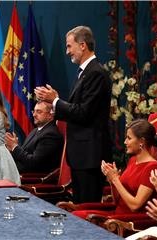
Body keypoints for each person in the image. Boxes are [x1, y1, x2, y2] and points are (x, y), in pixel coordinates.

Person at [34, 25, 112, 203]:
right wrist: (54, 101)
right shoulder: (84, 73)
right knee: (80, 208)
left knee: (87, 209)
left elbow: (84, 113)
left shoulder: (96, 73)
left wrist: (55, 101)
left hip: (90, 156)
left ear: (83, 45)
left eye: (69, 46)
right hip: (81, 155)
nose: (67, 51)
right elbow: (78, 108)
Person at [72, 119, 157, 219]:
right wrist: (112, 181)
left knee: (78, 217)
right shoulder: (133, 160)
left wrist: (116, 180)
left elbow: (134, 206)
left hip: (129, 221)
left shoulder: (152, 167)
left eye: (129, 138)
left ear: (141, 141)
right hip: (116, 215)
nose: (125, 142)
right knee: (75, 215)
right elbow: (117, 200)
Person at [5, 100, 63, 174]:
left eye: (39, 112)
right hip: (18, 172)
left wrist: (15, 147)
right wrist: (12, 149)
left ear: (50, 116)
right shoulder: (35, 130)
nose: (34, 115)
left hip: (32, 178)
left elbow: (33, 163)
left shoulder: (51, 135)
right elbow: (25, 155)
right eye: (34, 111)